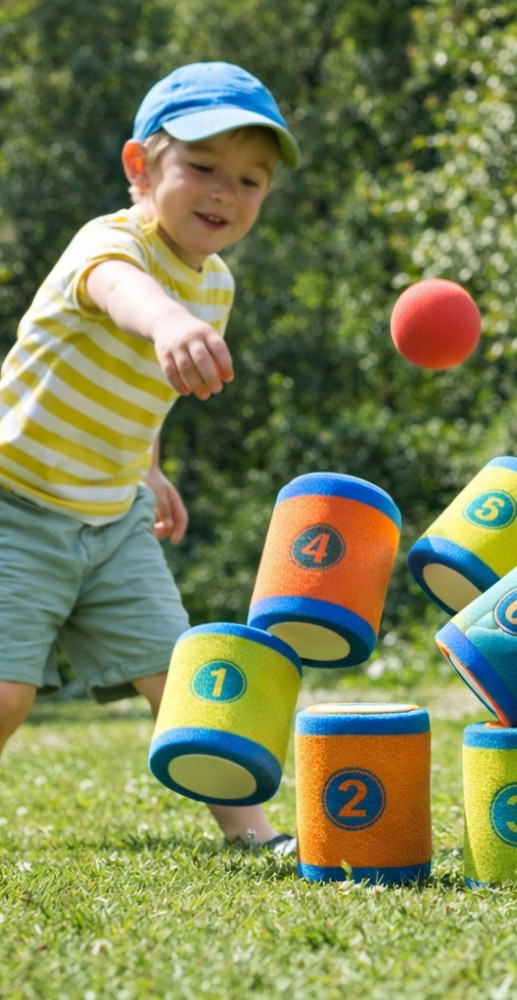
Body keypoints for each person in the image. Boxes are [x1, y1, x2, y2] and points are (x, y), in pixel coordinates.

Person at [0, 62, 302, 854]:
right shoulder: (108, 245)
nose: (223, 193)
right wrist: (168, 322)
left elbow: (147, 387)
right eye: (201, 167)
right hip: (16, 504)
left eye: (249, 180)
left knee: (186, 680)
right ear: (140, 167)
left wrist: (150, 467)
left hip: (115, 518)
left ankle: (251, 833)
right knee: (6, 691)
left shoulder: (217, 285)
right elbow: (122, 297)